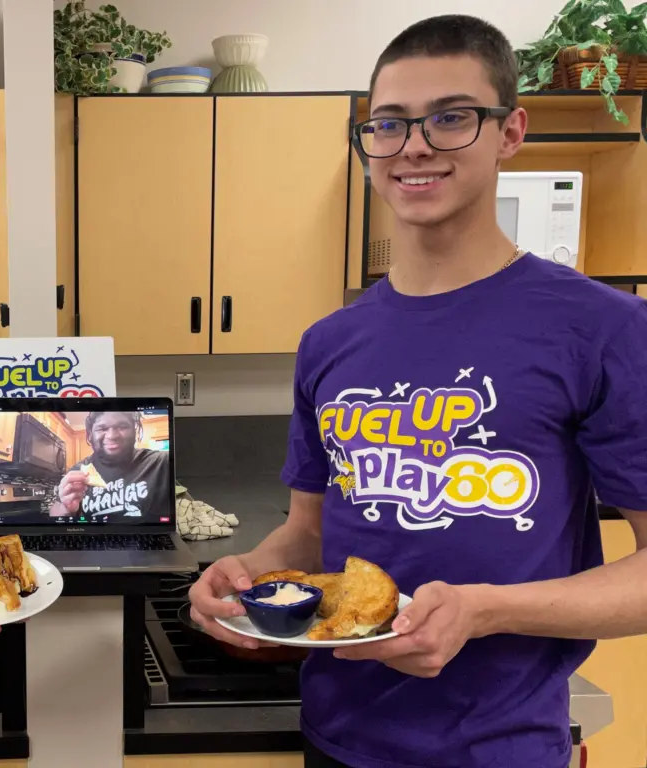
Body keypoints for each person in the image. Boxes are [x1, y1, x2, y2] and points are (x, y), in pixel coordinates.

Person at [189, 14, 647, 768]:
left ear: (510, 131)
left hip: (499, 748)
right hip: (337, 737)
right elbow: (310, 533)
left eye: (451, 119)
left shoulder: (603, 330)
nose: (416, 146)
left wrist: (486, 611)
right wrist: (245, 578)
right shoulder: (330, 343)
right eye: (391, 124)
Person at [49, 411, 170, 520]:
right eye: (102, 428)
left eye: (122, 427)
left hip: (146, 541)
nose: (112, 436)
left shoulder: (161, 462)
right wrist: (65, 507)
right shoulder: (79, 471)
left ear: (134, 429)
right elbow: (55, 514)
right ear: (90, 435)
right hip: (94, 542)